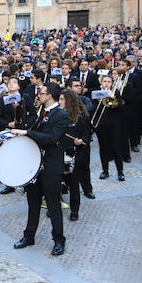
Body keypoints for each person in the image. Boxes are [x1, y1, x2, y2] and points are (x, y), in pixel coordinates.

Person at [11, 82, 68, 256]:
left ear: (50, 95)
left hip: (51, 167)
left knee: (53, 205)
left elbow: (51, 138)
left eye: (42, 93)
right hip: (35, 166)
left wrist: (27, 133)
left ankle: (59, 240)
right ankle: (29, 236)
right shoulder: (41, 111)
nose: (39, 96)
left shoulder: (61, 114)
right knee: (32, 203)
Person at [59, 89, 91, 222]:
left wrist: (80, 140)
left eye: (62, 99)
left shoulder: (83, 116)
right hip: (60, 151)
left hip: (75, 153)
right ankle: (55, 206)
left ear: (69, 101)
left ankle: (74, 210)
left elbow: (87, 135)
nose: (59, 102)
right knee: (57, 182)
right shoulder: (59, 115)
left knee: (73, 184)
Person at [93, 75, 124, 181]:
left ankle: (120, 172)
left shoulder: (115, 93)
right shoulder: (96, 93)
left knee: (116, 148)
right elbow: (93, 108)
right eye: (104, 81)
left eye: (109, 82)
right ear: (101, 82)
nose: (106, 83)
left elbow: (120, 107)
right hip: (101, 125)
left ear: (112, 83)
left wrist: (112, 97)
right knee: (103, 148)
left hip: (114, 125)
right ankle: (105, 171)